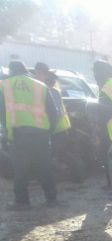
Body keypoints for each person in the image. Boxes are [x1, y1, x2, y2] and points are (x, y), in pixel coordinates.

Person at [0, 61, 59, 209]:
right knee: (44, 167)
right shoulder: (40, 86)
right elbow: (54, 113)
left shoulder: (5, 85)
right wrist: (48, 131)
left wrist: (6, 132)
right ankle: (51, 198)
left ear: (11, 71)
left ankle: (22, 201)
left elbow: (2, 112)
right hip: (41, 134)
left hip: (18, 134)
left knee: (20, 168)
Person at [34, 63, 84, 183]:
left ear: (42, 73)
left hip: (56, 127)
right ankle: (74, 174)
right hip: (58, 126)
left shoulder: (49, 88)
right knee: (59, 153)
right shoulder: (49, 85)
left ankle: (62, 176)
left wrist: (49, 128)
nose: (35, 76)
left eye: (37, 73)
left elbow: (53, 111)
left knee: (56, 155)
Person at [92, 60, 112, 187]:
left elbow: (106, 110)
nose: (94, 75)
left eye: (95, 71)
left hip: (108, 128)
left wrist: (98, 122)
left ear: (101, 72)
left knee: (107, 157)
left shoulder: (106, 88)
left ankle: (111, 183)